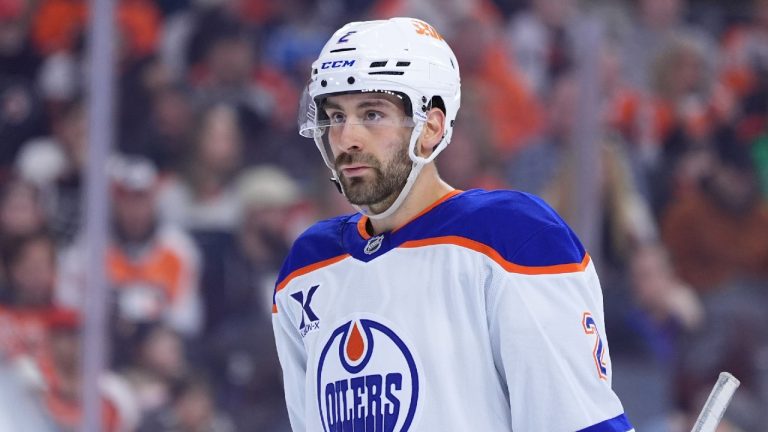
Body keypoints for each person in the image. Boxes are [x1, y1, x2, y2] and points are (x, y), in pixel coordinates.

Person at [272, 17, 634, 431]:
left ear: (431, 127)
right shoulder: (305, 269)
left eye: (371, 113)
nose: (347, 138)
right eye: (335, 116)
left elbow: (575, 422)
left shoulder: (513, 238)